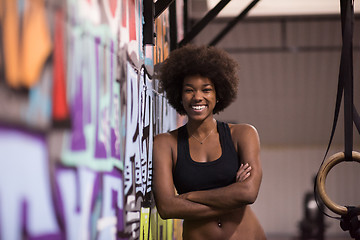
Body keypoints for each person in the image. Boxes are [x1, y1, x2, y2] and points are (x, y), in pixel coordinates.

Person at [152, 45, 266, 240]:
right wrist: (232, 198)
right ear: (179, 95)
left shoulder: (243, 134)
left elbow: (248, 192)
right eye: (189, 90)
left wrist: (189, 197)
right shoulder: (165, 143)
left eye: (206, 89)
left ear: (218, 94)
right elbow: (167, 207)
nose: (197, 97)